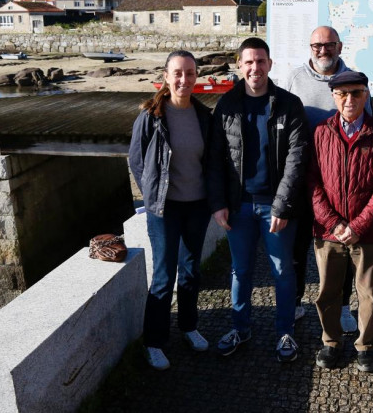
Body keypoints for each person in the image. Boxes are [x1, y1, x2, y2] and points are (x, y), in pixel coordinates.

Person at [206, 37, 310, 362]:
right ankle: (241, 327)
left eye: (260, 61)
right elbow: (215, 159)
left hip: (274, 206)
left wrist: (281, 205)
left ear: (270, 64)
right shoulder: (226, 107)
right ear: (239, 65)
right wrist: (218, 202)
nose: (255, 68)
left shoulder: (288, 104)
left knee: (283, 271)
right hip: (238, 207)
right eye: (248, 62)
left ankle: (285, 333)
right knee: (240, 271)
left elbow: (297, 158)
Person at [279, 25, 372, 332]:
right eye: (316, 45)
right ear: (310, 47)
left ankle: (343, 307)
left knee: (342, 250)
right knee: (296, 250)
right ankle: (293, 305)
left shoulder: (353, 80)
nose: (323, 50)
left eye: (329, 45)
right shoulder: (294, 79)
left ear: (340, 46)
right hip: (299, 181)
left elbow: (367, 126)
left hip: (340, 186)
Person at [307, 71, 373, 373]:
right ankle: (331, 341)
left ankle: (367, 345)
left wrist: (358, 225)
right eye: (342, 94)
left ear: (366, 95)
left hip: (366, 232)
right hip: (328, 232)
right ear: (333, 96)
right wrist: (333, 223)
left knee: (368, 292)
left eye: (356, 93)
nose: (349, 99)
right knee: (328, 291)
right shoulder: (321, 132)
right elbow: (312, 182)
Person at [128, 50, 211, 370]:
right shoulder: (151, 116)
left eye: (190, 73)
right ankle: (154, 342)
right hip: (164, 209)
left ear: (196, 77)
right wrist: (151, 196)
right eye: (178, 73)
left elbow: (211, 161)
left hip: (198, 206)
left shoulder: (204, 116)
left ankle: (189, 327)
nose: (184, 79)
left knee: (191, 271)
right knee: (164, 275)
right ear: (166, 76)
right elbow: (136, 160)